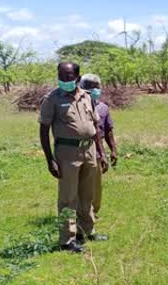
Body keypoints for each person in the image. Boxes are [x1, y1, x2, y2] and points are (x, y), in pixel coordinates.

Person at [39, 62, 109, 253]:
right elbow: (44, 130)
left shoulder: (86, 97)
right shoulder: (52, 99)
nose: (64, 80)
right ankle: (66, 240)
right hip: (67, 153)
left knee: (87, 194)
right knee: (68, 197)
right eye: (61, 76)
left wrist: (101, 153)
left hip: (89, 150)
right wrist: (50, 159)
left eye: (68, 76)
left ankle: (86, 230)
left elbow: (94, 127)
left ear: (77, 78)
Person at [78, 74, 118, 218]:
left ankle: (92, 213)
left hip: (96, 150)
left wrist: (113, 150)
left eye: (96, 87)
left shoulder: (103, 108)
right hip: (78, 150)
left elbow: (108, 131)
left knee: (95, 186)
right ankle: (79, 215)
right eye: (90, 88)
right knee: (79, 185)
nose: (94, 90)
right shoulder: (77, 107)